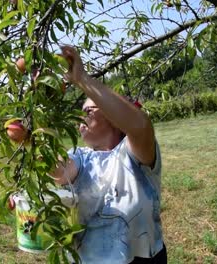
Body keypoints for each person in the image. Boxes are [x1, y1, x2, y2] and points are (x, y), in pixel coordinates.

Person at [52, 45, 166, 264]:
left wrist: (82, 79)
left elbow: (139, 125)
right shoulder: (81, 157)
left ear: (114, 117)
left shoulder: (134, 155)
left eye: (88, 111)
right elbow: (56, 170)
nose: (80, 119)